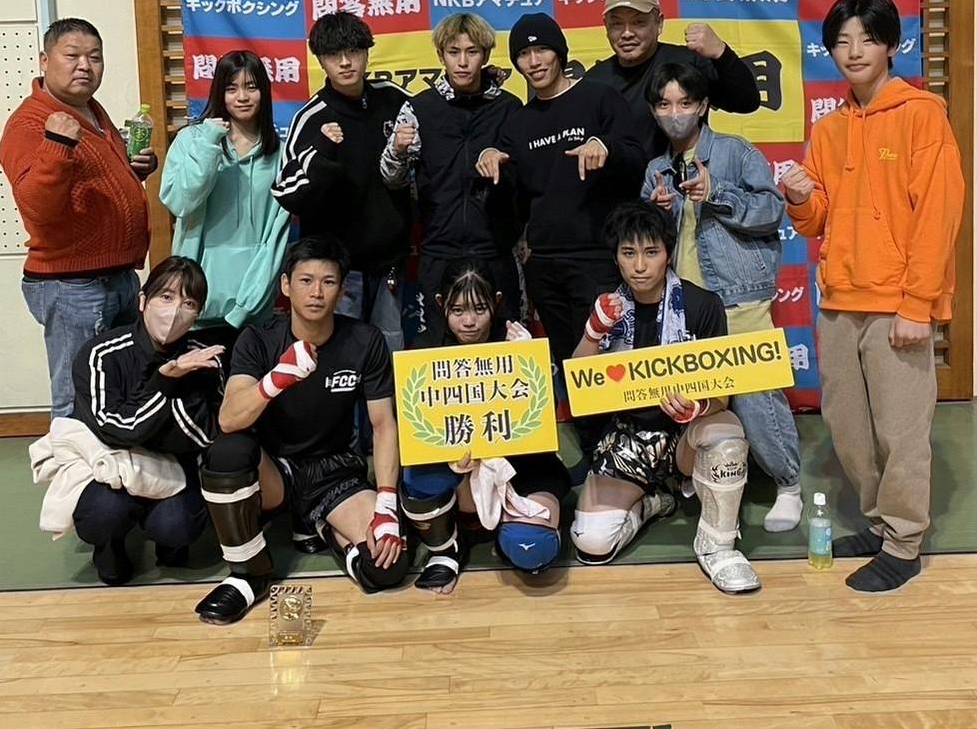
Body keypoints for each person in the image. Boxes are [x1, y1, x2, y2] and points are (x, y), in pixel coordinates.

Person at [779, 0, 964, 593]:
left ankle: (903, 544)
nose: (854, 51)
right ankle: (881, 523)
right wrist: (801, 197)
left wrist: (917, 304)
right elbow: (817, 220)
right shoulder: (829, 127)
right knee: (849, 429)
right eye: (842, 41)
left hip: (896, 306)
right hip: (839, 301)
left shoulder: (921, 115)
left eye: (867, 38)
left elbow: (938, 214)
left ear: (890, 45)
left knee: (901, 431)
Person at [194, 235, 409, 625]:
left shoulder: (364, 340)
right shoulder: (259, 339)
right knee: (226, 452)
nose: (316, 293)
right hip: (275, 470)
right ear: (286, 285)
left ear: (341, 290)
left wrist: (387, 505)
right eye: (306, 281)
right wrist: (275, 380)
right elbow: (229, 419)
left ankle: (321, 524)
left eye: (328, 282)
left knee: (387, 566)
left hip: (335, 471)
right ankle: (250, 574)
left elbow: (382, 425)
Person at [641, 63, 803, 532]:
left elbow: (771, 210)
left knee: (756, 398)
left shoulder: (735, 152)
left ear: (703, 106)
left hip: (738, 298)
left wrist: (717, 192)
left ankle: (789, 485)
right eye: (664, 104)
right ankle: (705, 473)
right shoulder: (655, 169)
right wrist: (658, 215)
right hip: (684, 307)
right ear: (653, 110)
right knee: (693, 397)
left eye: (685, 103)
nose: (675, 113)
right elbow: (648, 243)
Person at [569, 201, 761, 595]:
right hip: (628, 438)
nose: (640, 265)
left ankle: (718, 547)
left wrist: (698, 406)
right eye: (629, 253)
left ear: (668, 254)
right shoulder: (607, 307)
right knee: (592, 543)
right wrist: (592, 332)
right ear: (616, 258)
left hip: (684, 437)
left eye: (651, 252)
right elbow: (581, 387)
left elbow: (723, 395)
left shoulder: (701, 305)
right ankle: (655, 502)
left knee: (726, 432)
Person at [0, 17, 156, 419]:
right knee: (76, 397)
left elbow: (87, 182)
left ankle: (109, 462)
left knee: (116, 388)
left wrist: (133, 171)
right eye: (72, 56)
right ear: (44, 61)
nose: (85, 65)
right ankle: (69, 463)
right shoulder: (31, 123)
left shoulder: (91, 112)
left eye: (95, 57)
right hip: (73, 284)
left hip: (116, 277)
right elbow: (38, 208)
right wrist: (56, 143)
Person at [476, 13, 646, 382]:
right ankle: (583, 423)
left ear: (560, 53)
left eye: (542, 50)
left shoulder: (600, 98)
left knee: (608, 366)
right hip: (544, 265)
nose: (534, 61)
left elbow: (637, 161)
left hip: (597, 258)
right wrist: (490, 164)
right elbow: (513, 201)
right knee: (570, 369)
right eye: (524, 54)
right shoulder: (518, 122)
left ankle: (615, 421)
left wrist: (606, 147)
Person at [399, 260, 571, 594]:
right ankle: (446, 548)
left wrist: (529, 364)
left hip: (522, 465)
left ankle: (509, 528)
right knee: (418, 477)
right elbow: (412, 427)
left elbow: (545, 417)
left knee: (533, 549)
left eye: (479, 309)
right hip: (456, 470)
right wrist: (451, 458)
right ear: (440, 304)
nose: (469, 321)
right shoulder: (423, 350)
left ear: (496, 301)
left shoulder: (515, 340)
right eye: (457, 310)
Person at [68, 257, 222, 585]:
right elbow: (116, 430)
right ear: (142, 301)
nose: (175, 310)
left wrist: (149, 415)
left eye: (189, 303)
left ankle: (169, 544)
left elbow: (202, 436)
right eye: (166, 296)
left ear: (198, 313)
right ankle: (110, 547)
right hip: (112, 465)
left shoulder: (205, 357)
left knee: (178, 526)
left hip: (174, 467)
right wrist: (166, 381)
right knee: (103, 516)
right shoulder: (101, 353)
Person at [272, 12, 413, 352]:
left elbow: (435, 128)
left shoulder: (395, 100)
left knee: (390, 352)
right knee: (337, 357)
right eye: (334, 55)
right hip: (334, 269)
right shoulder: (312, 118)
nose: (346, 62)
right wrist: (322, 153)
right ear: (321, 61)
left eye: (353, 52)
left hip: (389, 261)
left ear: (367, 52)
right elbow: (288, 193)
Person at [380, 13, 523, 339]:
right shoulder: (418, 108)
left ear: (485, 55)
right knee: (437, 350)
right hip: (438, 250)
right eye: (453, 52)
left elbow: (528, 178)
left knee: (509, 348)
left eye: (471, 52)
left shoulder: (509, 108)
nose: (462, 62)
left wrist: (505, 163)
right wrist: (397, 150)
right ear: (440, 55)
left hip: (496, 251)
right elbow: (391, 179)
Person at [159, 50, 290, 350]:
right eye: (231, 88)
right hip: (194, 304)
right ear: (219, 92)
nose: (242, 97)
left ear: (264, 92)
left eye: (251, 87)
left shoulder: (280, 154)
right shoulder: (192, 141)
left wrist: (248, 305)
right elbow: (180, 203)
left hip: (254, 309)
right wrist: (208, 145)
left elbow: (276, 239)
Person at [587, 0, 762, 161]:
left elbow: (746, 102)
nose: (627, 33)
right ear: (606, 26)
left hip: (690, 177)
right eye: (616, 24)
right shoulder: (593, 81)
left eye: (638, 22)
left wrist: (721, 52)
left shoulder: (688, 62)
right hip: (622, 179)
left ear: (659, 23)